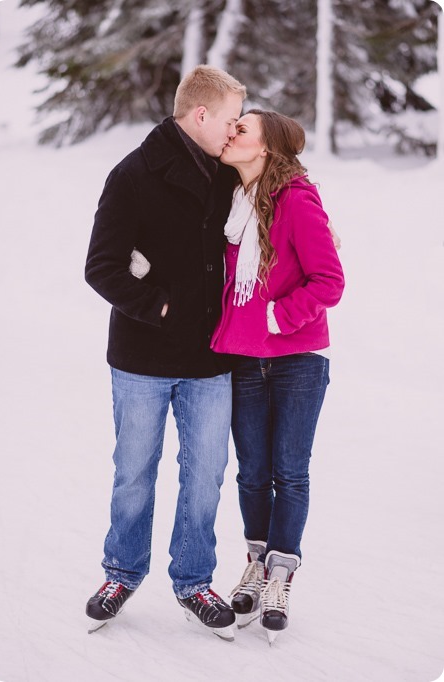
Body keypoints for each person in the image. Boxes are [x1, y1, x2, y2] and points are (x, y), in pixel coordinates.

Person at [84, 65, 246, 641]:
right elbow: (100, 267)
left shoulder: (231, 175)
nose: (234, 131)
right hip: (143, 358)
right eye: (229, 120)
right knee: (134, 473)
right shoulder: (132, 174)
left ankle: (194, 581)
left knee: (205, 476)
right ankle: (122, 572)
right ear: (200, 115)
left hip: (210, 358)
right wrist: (161, 307)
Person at [210, 110, 345, 643]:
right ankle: (256, 562)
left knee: (289, 473)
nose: (231, 133)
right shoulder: (232, 201)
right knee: (251, 473)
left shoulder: (295, 199)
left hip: (295, 361)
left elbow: (329, 280)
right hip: (244, 358)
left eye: (242, 129)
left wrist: (279, 316)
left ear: (266, 149)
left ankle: (280, 576)